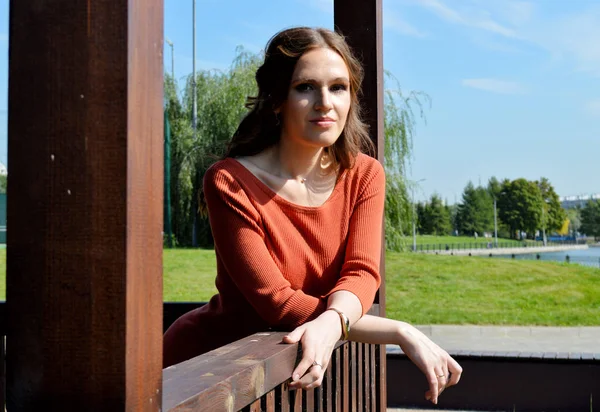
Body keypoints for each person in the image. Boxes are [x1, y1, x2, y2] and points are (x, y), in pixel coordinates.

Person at [163, 26, 462, 405]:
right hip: (211, 372)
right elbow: (278, 302)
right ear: (276, 99)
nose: (325, 102)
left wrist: (330, 323)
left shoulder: (365, 175)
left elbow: (361, 273)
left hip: (285, 384)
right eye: (306, 87)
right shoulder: (229, 182)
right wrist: (398, 330)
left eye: (339, 87)